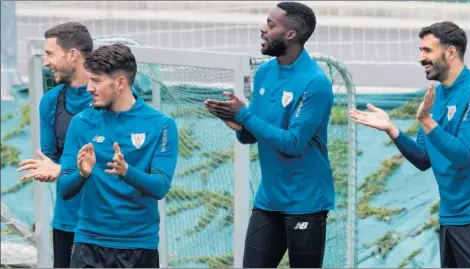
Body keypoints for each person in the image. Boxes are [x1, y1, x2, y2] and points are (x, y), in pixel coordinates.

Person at [349, 21, 470, 268]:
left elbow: (462, 155)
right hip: (450, 218)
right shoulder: (436, 97)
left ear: (450, 53)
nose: (420, 58)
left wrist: (426, 122)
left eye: (427, 50)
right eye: (420, 50)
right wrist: (392, 130)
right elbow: (424, 158)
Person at [204, 2, 334, 268]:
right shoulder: (263, 73)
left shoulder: (315, 82)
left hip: (306, 201)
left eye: (271, 25)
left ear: (291, 35)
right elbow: (254, 134)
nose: (262, 29)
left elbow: (293, 143)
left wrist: (245, 117)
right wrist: (238, 126)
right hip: (269, 199)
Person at [56, 43, 178, 268]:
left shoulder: (161, 125)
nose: (89, 88)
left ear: (120, 83)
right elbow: (63, 189)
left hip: (139, 246)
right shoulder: (81, 123)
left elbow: (160, 186)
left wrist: (127, 172)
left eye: (97, 81)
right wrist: (81, 175)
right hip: (88, 245)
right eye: (89, 79)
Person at [16, 22, 94, 268]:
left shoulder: (116, 99)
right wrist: (50, 168)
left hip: (110, 228)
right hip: (67, 224)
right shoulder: (50, 102)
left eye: (50, 54)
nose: (46, 62)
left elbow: (123, 164)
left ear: (73, 55)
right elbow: (50, 161)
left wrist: (62, 169)